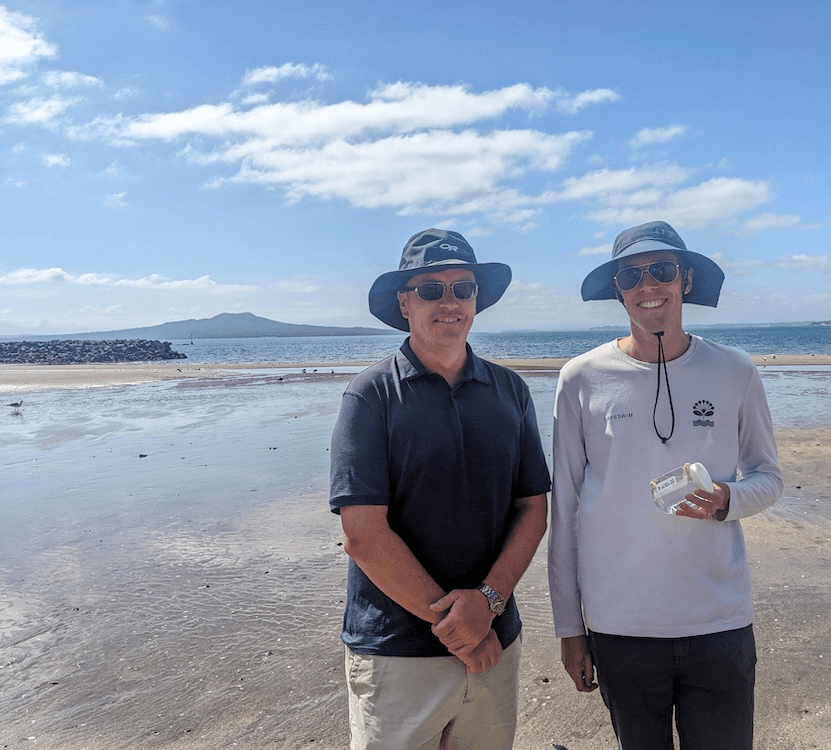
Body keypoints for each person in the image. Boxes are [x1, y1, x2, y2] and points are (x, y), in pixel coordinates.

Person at [548, 220, 783, 749]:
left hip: (718, 621)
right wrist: (569, 627)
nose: (647, 285)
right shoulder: (581, 378)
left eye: (661, 270)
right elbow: (564, 510)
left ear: (687, 280)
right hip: (620, 627)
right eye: (631, 275)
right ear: (617, 289)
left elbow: (768, 477)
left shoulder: (735, 371)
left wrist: (728, 499)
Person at [329, 228, 551, 750]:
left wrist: (488, 604)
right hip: (396, 653)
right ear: (405, 302)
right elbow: (362, 535)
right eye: (431, 289)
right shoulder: (370, 396)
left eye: (463, 288)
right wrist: (460, 627)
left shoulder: (510, 390)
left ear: (477, 300)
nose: (449, 302)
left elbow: (533, 508)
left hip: (495, 641)